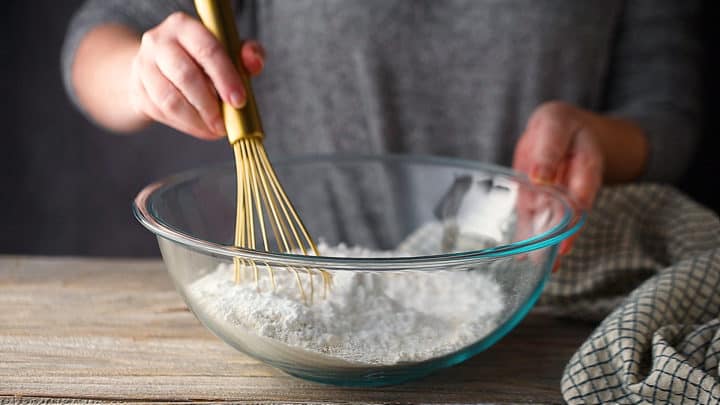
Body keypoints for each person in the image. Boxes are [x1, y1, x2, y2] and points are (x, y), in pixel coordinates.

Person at [62, 0, 701, 254]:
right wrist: (145, 74)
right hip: (307, 292)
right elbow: (94, 43)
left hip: (538, 309)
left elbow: (668, 109)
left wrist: (594, 140)